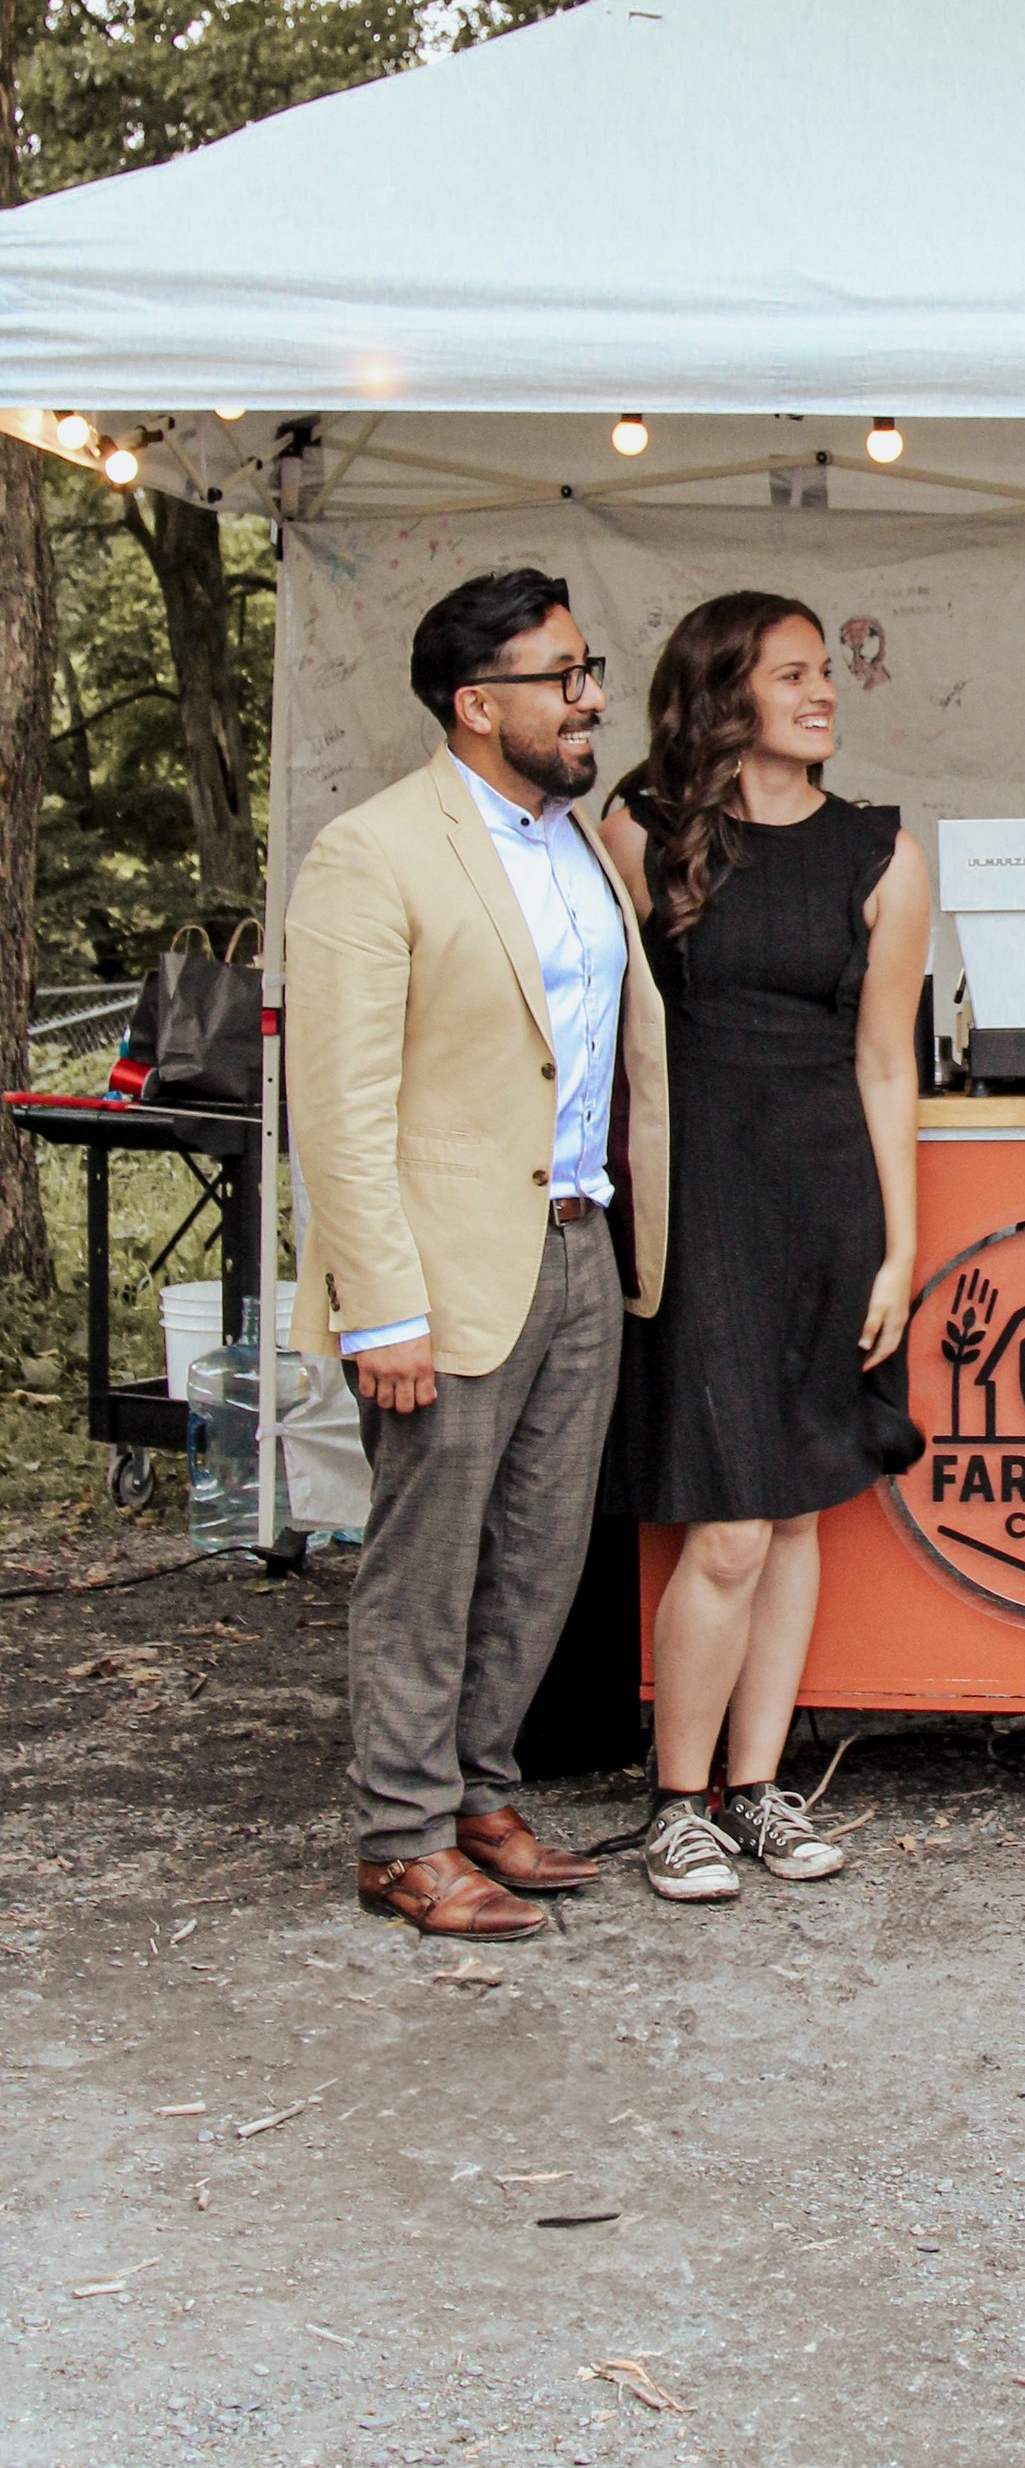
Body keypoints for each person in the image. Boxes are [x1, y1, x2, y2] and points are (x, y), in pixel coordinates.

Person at [286, 571, 669, 1940]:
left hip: (580, 1244)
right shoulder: (372, 852)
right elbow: (336, 1107)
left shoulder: (581, 844)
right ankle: (400, 1833)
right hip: (443, 1272)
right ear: (476, 702)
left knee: (538, 1553)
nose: (590, 697)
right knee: (426, 1562)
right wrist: (377, 1305)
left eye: (588, 668)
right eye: (563, 675)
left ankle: (480, 1795)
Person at [604, 594, 931, 1905]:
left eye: (824, 672)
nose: (824, 691)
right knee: (731, 1523)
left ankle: (755, 1788)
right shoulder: (643, 826)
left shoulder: (885, 852)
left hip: (826, 1198)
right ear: (724, 694)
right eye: (793, 673)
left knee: (795, 1509)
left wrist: (902, 1250)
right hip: (700, 1200)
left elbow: (889, 1064)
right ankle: (675, 1802)